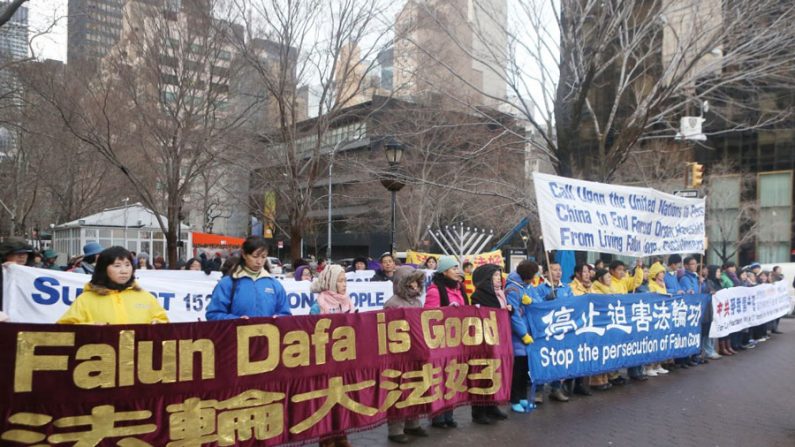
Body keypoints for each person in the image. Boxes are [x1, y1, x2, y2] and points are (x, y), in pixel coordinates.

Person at [57, 246, 168, 325]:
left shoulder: (145, 297)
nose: (124, 271)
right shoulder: (85, 300)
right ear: (103, 269)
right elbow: (63, 331)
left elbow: (164, 321)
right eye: (117, 265)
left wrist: (158, 325)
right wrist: (89, 329)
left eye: (127, 265)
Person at [308, 264, 355, 447]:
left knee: (342, 399)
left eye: (345, 281)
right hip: (325, 360)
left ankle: (341, 436)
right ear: (330, 282)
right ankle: (326, 439)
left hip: (344, 359)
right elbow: (310, 335)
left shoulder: (348, 302)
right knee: (326, 401)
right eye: (341, 281)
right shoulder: (317, 306)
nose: (344, 284)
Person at [383, 266, 430, 443]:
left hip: (415, 352)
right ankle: (395, 429)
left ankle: (413, 423)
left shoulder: (418, 302)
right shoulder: (392, 303)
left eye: (417, 281)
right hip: (399, 355)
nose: (415, 285)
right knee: (398, 390)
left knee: (415, 386)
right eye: (411, 282)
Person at [205, 236, 290, 320]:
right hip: (237, 333)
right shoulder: (228, 283)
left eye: (263, 257)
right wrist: (235, 320)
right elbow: (213, 314)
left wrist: (280, 318)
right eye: (255, 256)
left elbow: (286, 313)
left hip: (268, 333)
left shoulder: (274, 284)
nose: (259, 262)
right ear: (244, 255)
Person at [425, 256, 466, 428]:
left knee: (453, 377)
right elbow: (428, 316)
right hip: (441, 342)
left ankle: (449, 413)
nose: (458, 271)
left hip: (457, 340)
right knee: (440, 378)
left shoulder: (459, 289)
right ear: (444, 272)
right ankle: (438, 416)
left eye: (458, 267)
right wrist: (447, 312)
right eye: (453, 268)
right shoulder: (435, 291)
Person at [469, 264, 510, 424]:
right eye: (494, 276)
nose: (498, 278)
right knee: (483, 374)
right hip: (484, 341)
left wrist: (509, 310)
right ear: (486, 279)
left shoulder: (501, 293)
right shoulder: (479, 295)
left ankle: (492, 405)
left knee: (495, 373)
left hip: (499, 339)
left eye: (499, 275)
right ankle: (479, 411)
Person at [534, 261, 573, 401]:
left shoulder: (567, 288)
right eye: (554, 270)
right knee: (543, 360)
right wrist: (546, 299)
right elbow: (535, 307)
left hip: (561, 330)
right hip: (546, 331)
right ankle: (538, 391)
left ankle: (556, 389)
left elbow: (573, 305)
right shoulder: (540, 289)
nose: (558, 272)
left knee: (559, 360)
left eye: (559, 270)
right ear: (545, 273)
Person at [505, 260, 540, 412]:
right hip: (518, 336)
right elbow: (514, 316)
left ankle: (523, 398)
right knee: (517, 371)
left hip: (530, 331)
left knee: (525, 369)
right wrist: (523, 334)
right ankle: (514, 400)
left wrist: (530, 301)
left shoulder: (528, 287)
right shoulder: (513, 289)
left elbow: (539, 302)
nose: (534, 278)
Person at [588, 269, 614, 389]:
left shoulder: (610, 289)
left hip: (608, 323)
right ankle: (596, 380)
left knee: (606, 351)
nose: (610, 279)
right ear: (600, 279)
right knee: (598, 351)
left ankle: (605, 377)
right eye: (607, 277)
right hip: (598, 324)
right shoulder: (595, 289)